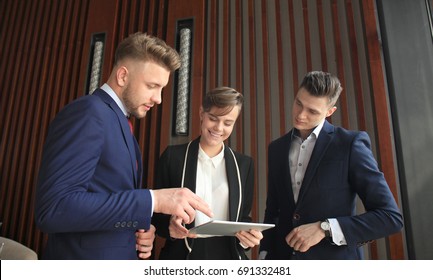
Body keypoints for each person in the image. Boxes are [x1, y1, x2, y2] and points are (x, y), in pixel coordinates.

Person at [35, 32, 213, 260]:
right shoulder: (89, 113)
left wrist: (137, 229)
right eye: (152, 86)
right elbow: (54, 209)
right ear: (122, 76)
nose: (158, 99)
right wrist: (154, 200)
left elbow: (106, 199)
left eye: (162, 89)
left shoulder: (118, 121)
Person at [259, 71, 403, 260]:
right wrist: (264, 256)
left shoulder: (350, 144)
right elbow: (273, 210)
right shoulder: (276, 148)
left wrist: (324, 228)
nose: (301, 115)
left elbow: (390, 217)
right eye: (298, 104)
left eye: (312, 111)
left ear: (330, 112)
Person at [147, 87, 263, 259]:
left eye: (228, 123)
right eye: (213, 119)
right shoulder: (173, 157)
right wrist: (171, 226)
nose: (219, 128)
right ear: (201, 113)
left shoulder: (244, 164)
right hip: (182, 256)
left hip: (228, 257)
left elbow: (242, 218)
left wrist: (248, 239)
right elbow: (156, 217)